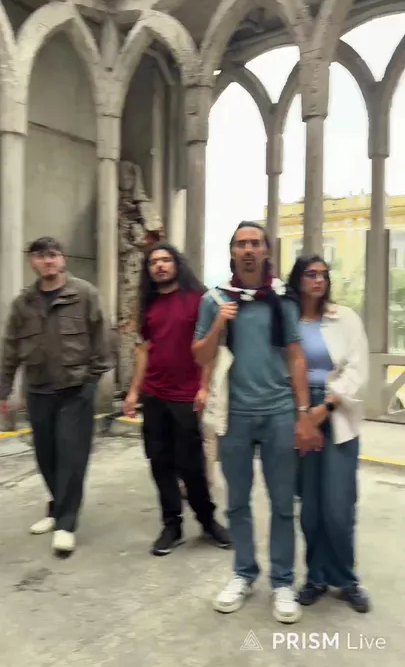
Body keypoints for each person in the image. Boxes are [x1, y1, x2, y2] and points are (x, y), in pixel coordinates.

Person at [192, 221, 321, 623]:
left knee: (283, 503)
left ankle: (282, 582)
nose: (248, 249)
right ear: (232, 252)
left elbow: (296, 356)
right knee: (237, 502)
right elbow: (199, 355)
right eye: (241, 244)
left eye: (255, 243)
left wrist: (303, 414)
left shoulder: (282, 298)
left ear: (266, 251)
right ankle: (243, 574)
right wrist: (219, 323)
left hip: (279, 412)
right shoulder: (215, 299)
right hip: (235, 416)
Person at [0, 237, 112, 556]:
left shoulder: (84, 294)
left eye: (53, 255)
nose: (47, 261)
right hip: (38, 389)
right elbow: (10, 348)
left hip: (76, 390)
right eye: (40, 256)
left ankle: (66, 523)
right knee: (46, 455)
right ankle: (57, 508)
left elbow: (103, 337)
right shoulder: (23, 303)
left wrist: (92, 379)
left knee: (71, 456)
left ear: (63, 259)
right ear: (32, 262)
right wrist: (3, 389)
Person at [123, 242, 230, 556]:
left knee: (191, 465)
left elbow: (209, 348)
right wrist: (133, 391)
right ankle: (172, 525)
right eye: (154, 262)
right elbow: (144, 352)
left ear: (176, 264)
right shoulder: (148, 305)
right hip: (154, 394)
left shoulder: (198, 300)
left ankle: (208, 521)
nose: (159, 265)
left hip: (186, 395)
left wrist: (204, 386)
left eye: (165, 260)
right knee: (159, 462)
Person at [287, 255, 370, 613]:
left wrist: (328, 406)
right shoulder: (288, 320)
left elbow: (358, 368)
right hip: (299, 411)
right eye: (311, 274)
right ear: (298, 279)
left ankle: (347, 580)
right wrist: (303, 413)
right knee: (311, 507)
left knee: (339, 505)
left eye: (323, 274)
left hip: (337, 411)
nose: (319, 280)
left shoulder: (345, 318)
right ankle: (316, 577)